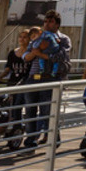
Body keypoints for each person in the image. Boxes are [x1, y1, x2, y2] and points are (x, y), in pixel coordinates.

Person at [19, 11, 68, 150]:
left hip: (49, 78)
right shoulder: (37, 37)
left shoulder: (63, 39)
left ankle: (53, 139)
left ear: (57, 24)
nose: (47, 24)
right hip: (33, 78)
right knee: (29, 111)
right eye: (45, 21)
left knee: (47, 111)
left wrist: (40, 53)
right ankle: (30, 141)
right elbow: (25, 56)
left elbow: (61, 57)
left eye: (51, 21)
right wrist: (33, 53)